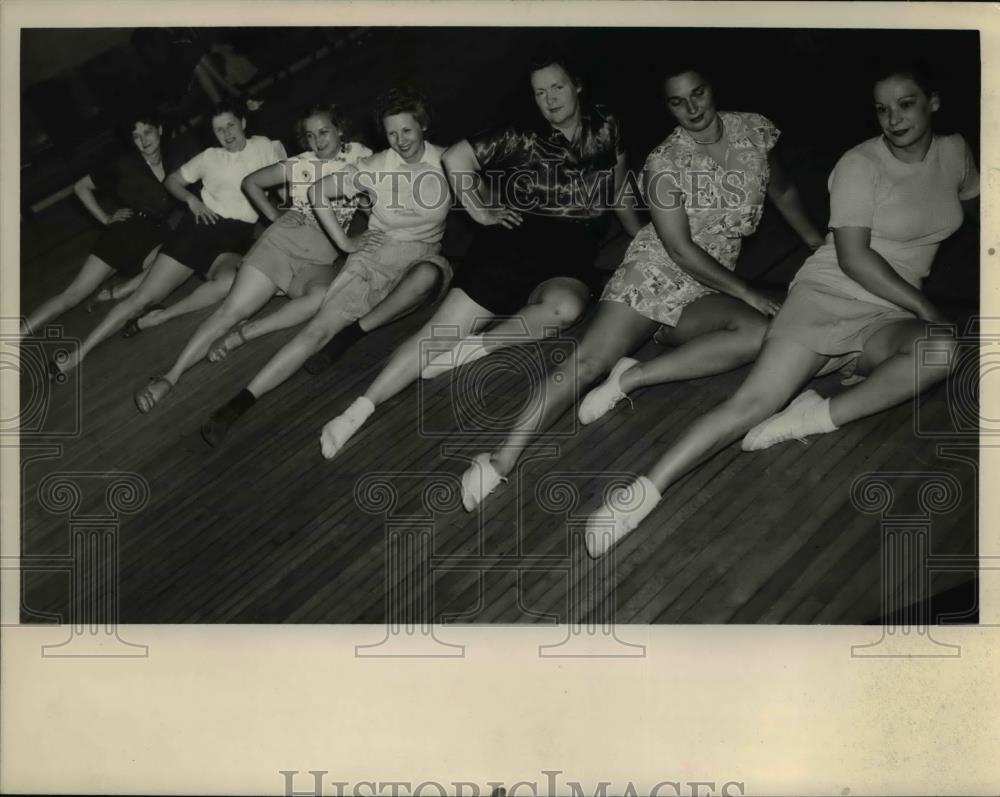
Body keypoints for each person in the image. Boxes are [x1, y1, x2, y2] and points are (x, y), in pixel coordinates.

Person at [583, 62, 979, 558]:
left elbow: (972, 205)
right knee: (750, 406)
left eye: (906, 104)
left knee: (940, 354)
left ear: (934, 102)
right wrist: (926, 306)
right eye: (882, 109)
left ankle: (813, 416)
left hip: (887, 312)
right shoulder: (861, 164)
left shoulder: (957, 152)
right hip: (828, 295)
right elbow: (854, 258)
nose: (894, 119)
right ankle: (637, 495)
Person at [457, 64, 826, 511]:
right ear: (666, 107)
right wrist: (747, 291)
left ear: (712, 88)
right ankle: (498, 460)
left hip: (708, 286)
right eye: (677, 101)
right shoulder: (664, 162)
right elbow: (680, 250)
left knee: (756, 334)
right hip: (656, 272)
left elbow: (783, 190)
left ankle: (632, 378)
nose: (692, 108)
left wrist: (815, 242)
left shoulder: (753, 130)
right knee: (588, 361)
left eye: (698, 93)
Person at [314, 53, 643, 461]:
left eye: (557, 87)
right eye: (540, 93)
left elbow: (618, 189)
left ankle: (472, 348)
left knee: (565, 308)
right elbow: (456, 158)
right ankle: (354, 413)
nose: (550, 99)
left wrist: (641, 234)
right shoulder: (522, 134)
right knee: (434, 335)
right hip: (516, 240)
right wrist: (480, 210)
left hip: (573, 252)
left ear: (576, 85)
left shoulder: (607, 124)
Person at [200, 87, 454, 445]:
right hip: (373, 256)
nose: (400, 141)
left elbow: (483, 189)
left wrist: (487, 211)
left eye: (407, 130)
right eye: (392, 133)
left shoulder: (448, 161)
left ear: (423, 126)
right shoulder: (376, 165)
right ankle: (239, 403)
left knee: (426, 276)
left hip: (422, 256)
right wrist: (347, 243)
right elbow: (318, 192)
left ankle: (354, 332)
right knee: (316, 331)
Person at [132, 103, 372, 412]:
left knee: (324, 295)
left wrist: (369, 228)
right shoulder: (300, 163)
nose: (318, 141)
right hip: (282, 243)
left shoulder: (361, 155)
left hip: (321, 258)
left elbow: (374, 192)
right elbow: (251, 183)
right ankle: (169, 377)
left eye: (324, 132)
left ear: (339, 129)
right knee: (230, 311)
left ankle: (246, 333)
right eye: (310, 136)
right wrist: (275, 216)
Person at [53, 102, 287, 376]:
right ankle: (78, 355)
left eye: (231, 125)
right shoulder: (209, 157)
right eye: (219, 129)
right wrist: (192, 201)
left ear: (243, 123)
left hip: (232, 242)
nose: (227, 133)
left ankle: (162, 316)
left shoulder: (268, 147)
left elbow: (284, 190)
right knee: (139, 301)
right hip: (197, 232)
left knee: (230, 281)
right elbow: (172, 181)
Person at [21, 110, 183, 340]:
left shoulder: (174, 161)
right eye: (137, 136)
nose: (143, 140)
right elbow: (81, 187)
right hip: (123, 235)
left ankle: (126, 299)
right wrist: (105, 218)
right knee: (72, 295)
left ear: (160, 130)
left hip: (155, 238)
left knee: (174, 252)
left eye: (147, 132)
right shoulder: (124, 163)